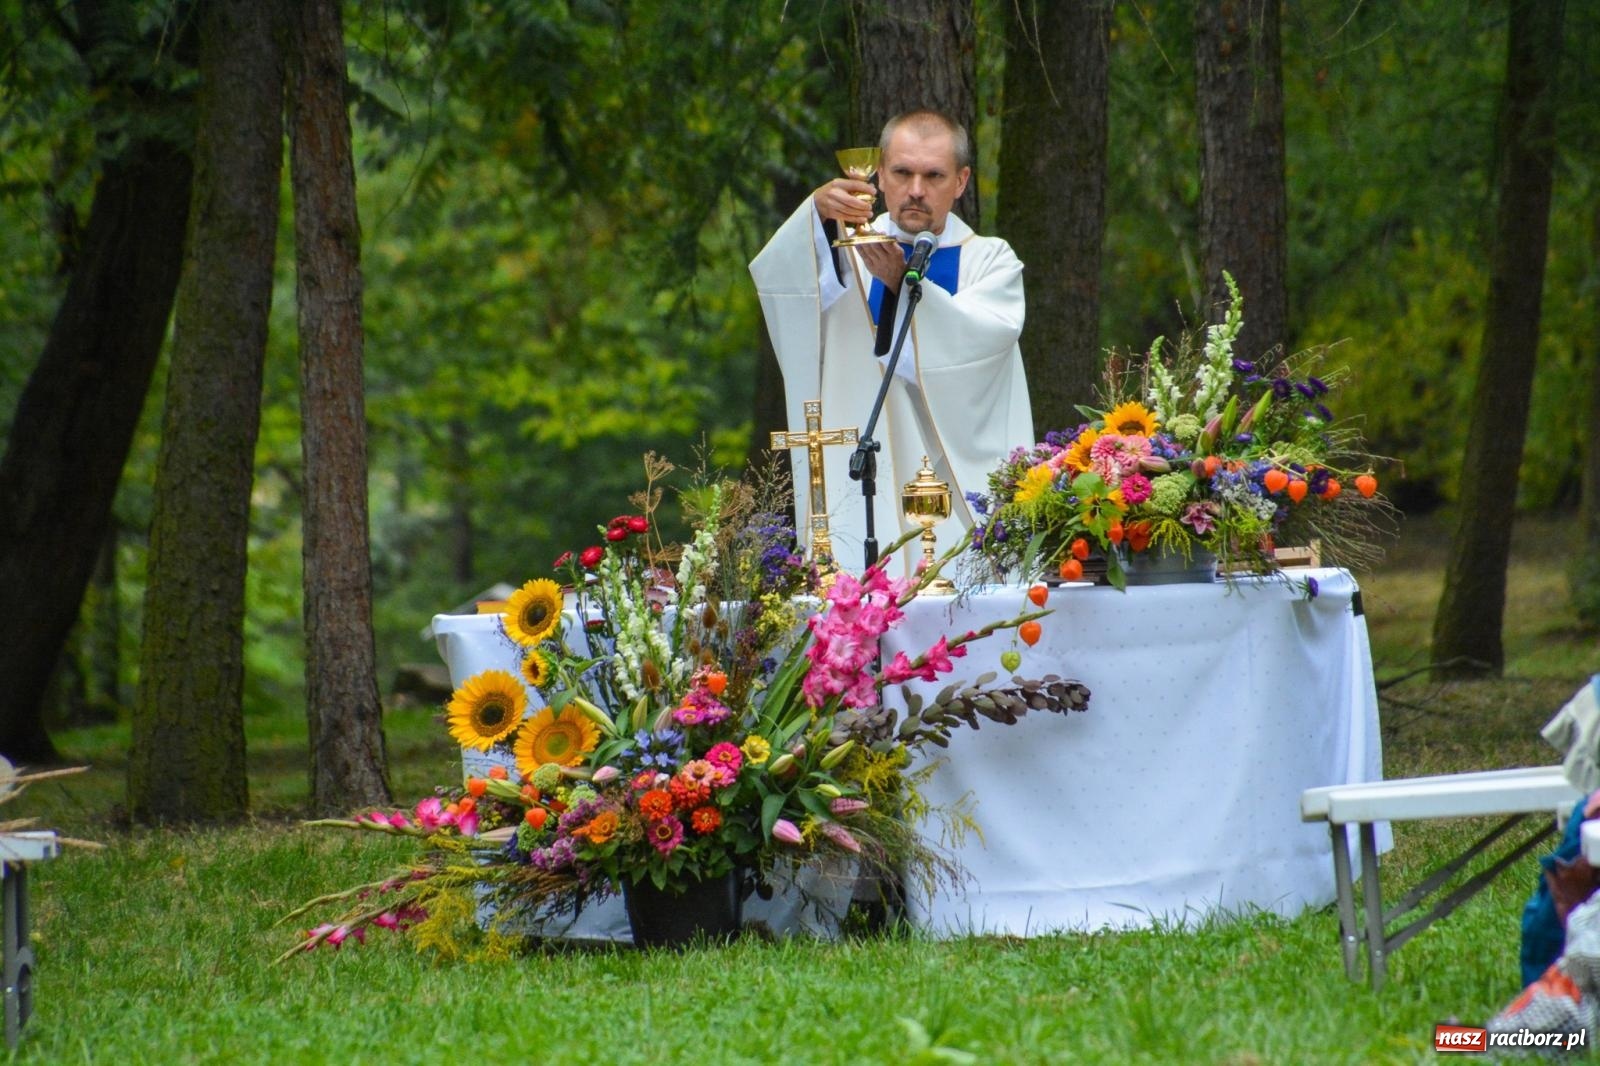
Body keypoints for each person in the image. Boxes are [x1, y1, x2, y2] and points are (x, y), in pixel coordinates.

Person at [750, 108, 1033, 577]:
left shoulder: (990, 260)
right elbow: (787, 292)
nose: (916, 189)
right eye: (902, 172)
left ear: (961, 182)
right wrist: (816, 218)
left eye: (934, 175)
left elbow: (980, 347)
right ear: (879, 173)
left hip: (950, 486)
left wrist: (904, 285)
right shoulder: (846, 251)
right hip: (858, 473)